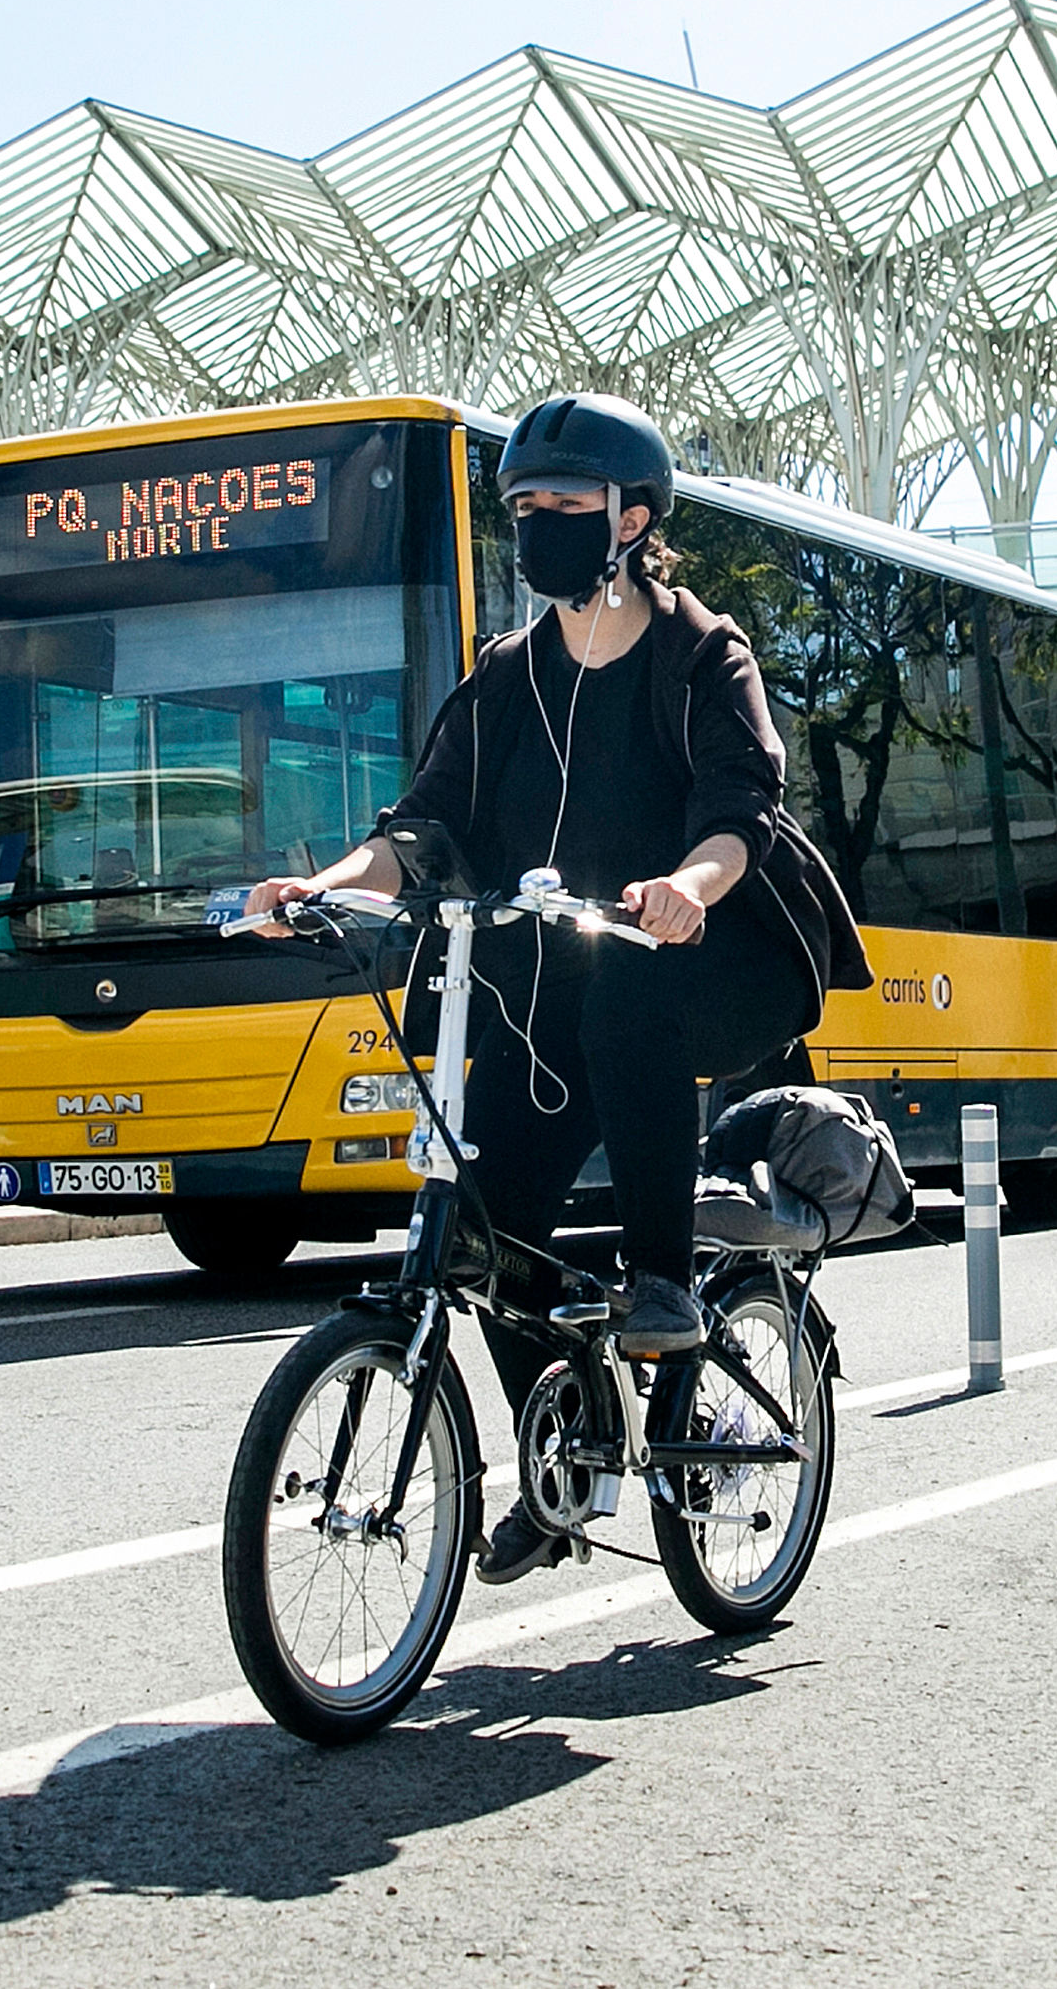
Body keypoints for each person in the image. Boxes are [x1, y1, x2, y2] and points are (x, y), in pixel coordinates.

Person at [246, 391, 865, 1587]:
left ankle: (667, 1284)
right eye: (523, 508)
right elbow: (423, 826)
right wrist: (324, 881)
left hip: (715, 954)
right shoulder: (506, 678)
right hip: (551, 978)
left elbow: (740, 811)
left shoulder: (700, 652)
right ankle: (567, 1455)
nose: (538, 528)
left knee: (632, 997)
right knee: (491, 1224)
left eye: (565, 507)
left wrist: (687, 885)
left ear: (632, 517)